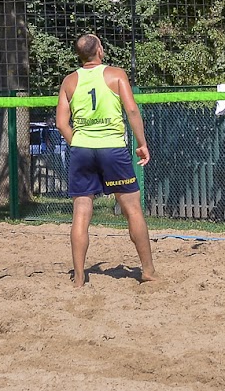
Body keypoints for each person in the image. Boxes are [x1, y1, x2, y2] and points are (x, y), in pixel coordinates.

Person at [56, 34, 157, 288]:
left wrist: (78, 142)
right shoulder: (116, 74)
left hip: (82, 150)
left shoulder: (69, 81)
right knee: (132, 210)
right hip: (113, 148)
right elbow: (132, 110)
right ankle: (148, 270)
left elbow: (60, 123)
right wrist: (142, 143)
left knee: (81, 212)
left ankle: (79, 277)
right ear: (99, 50)